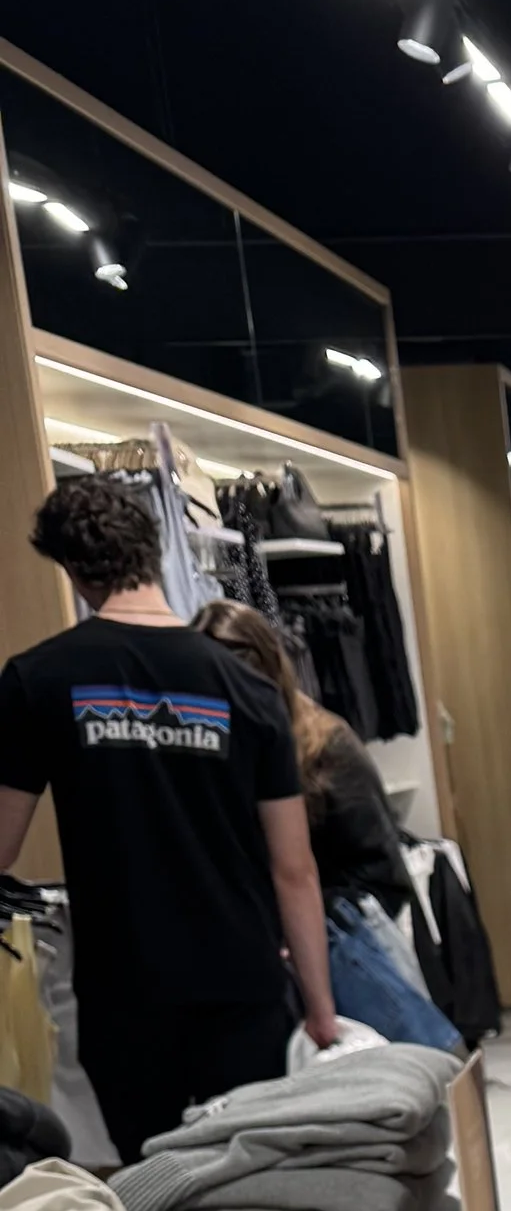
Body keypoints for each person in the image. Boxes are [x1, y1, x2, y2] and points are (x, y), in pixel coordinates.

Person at [0, 476, 338, 1160]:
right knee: (246, 1178)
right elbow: (294, 868)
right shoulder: (249, 689)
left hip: (124, 991)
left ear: (71, 571)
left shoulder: (38, 679)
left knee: (154, 1177)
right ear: (155, 552)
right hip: (243, 983)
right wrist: (321, 1008)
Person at [197, 599, 409, 910]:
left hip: (323, 924)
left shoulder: (328, 747)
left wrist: (307, 915)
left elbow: (383, 876)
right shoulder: (207, 752)